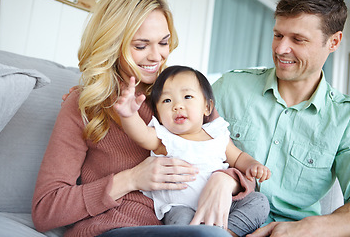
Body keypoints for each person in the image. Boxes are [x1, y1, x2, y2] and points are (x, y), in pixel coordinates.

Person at [32, 0, 256, 237]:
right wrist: (131, 179)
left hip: (186, 226)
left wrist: (225, 181)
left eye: (163, 42)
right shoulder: (86, 104)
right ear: (112, 43)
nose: (156, 56)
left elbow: (244, 169)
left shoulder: (184, 95)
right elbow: (46, 209)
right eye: (141, 46)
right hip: (115, 228)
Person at [211, 0, 350, 236]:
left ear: (334, 41)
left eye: (298, 39)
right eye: (278, 35)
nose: (280, 49)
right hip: (221, 224)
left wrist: (308, 228)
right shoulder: (230, 87)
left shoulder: (348, 118)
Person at [114, 65, 271, 236]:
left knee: (259, 202)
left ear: (207, 107)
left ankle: (229, 233)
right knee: (181, 223)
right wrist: (128, 116)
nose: (177, 106)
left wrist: (253, 165)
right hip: (182, 208)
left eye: (187, 96)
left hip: (223, 203)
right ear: (158, 114)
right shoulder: (165, 139)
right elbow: (142, 135)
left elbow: (238, 157)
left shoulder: (217, 133)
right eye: (167, 101)